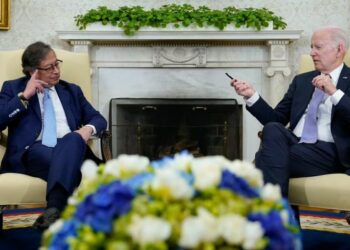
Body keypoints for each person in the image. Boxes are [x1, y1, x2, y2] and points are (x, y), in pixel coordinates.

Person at [230, 26, 350, 198]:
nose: (312, 53)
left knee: (265, 158)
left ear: (339, 49)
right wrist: (252, 96)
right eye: (311, 47)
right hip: (295, 143)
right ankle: (278, 212)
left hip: (329, 151)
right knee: (272, 128)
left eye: (318, 47)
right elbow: (277, 119)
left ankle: (275, 211)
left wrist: (334, 92)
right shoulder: (302, 80)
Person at [0, 42, 107, 230]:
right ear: (32, 71)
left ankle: (54, 210)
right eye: (49, 67)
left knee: (72, 139)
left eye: (57, 64)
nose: (56, 71)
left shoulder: (71, 91)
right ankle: (61, 209)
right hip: (34, 152)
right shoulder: (13, 88)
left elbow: (98, 119)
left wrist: (87, 129)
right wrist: (24, 96)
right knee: (69, 164)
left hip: (73, 147)